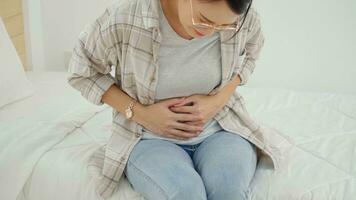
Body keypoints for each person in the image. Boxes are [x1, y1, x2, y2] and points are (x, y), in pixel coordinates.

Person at [67, 0, 269, 199]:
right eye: (204, 20)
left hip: (220, 130)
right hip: (148, 138)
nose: (211, 31)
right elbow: (82, 70)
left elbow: (251, 55)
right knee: (186, 193)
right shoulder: (126, 18)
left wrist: (217, 101)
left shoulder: (241, 17)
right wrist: (140, 113)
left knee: (229, 192)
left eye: (223, 27)